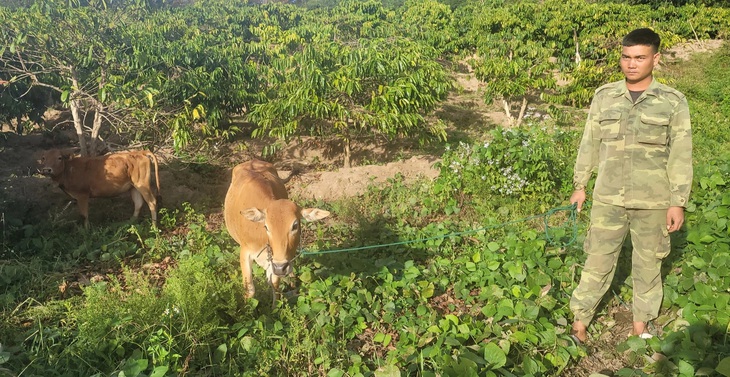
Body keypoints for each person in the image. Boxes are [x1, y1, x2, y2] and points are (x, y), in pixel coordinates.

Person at [568, 28, 693, 343]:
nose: (631, 64)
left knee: (648, 265)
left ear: (656, 58)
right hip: (608, 198)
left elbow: (681, 154)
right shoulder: (604, 96)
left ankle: (641, 326)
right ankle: (580, 322)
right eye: (626, 57)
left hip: (653, 201)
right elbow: (589, 144)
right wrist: (580, 184)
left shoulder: (672, 102)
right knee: (597, 260)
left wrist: (678, 201)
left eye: (640, 57)